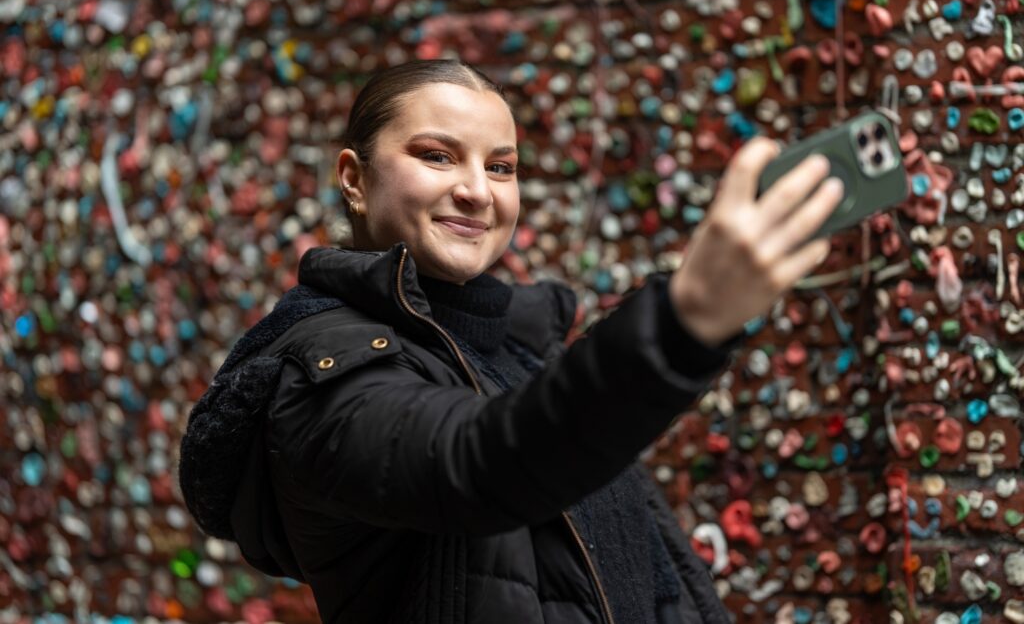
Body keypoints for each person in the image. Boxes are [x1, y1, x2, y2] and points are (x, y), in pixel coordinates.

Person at [178, 59, 844, 624]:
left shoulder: (516, 354)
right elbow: (480, 460)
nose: (476, 191)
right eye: (437, 156)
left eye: (501, 167)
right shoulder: (319, 372)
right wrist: (683, 319)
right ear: (353, 177)